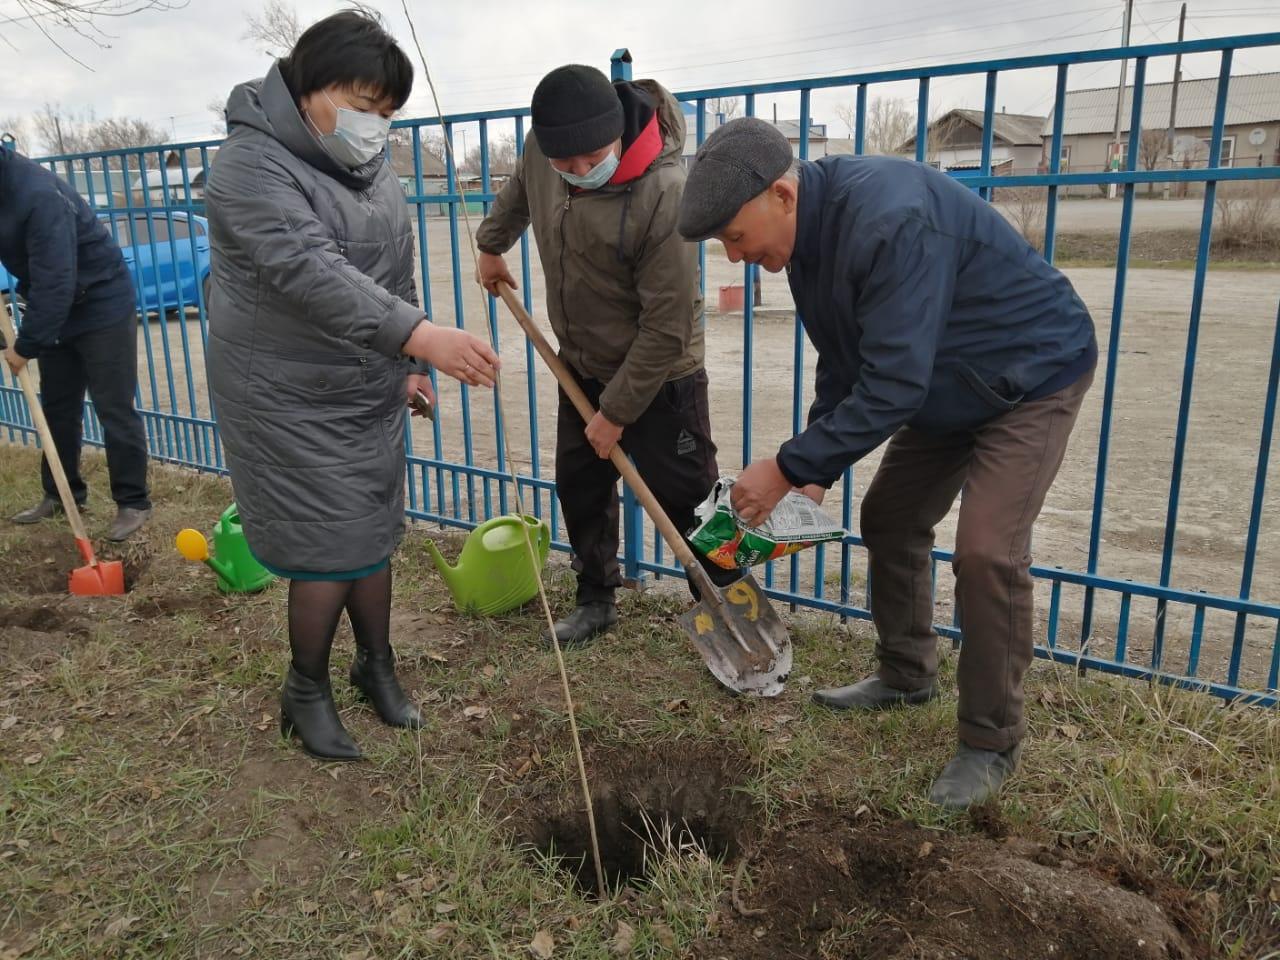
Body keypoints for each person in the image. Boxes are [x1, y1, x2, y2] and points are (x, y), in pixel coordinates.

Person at [678, 118, 1097, 809]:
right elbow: (847, 362)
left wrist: (785, 466)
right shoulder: (806, 240)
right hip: (947, 386)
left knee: (989, 552)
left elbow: (895, 383)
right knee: (891, 517)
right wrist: (816, 466)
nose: (731, 256)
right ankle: (907, 674)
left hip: (1030, 376)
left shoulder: (889, 219)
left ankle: (991, 741)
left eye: (733, 235)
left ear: (782, 194)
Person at [204, 10, 499, 761]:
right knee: (330, 543)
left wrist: (409, 366)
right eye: (361, 104)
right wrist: (421, 335)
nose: (374, 124)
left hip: (364, 377)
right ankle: (305, 687)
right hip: (283, 388)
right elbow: (308, 271)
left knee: (372, 533)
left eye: (387, 112)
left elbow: (392, 267)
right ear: (307, 86)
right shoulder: (248, 164)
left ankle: (376, 667)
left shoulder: (372, 168)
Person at [476, 64, 739, 646]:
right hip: (582, 361)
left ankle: (729, 603)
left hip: (661, 372)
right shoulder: (545, 150)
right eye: (563, 164)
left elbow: (665, 326)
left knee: (689, 498)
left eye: (590, 158)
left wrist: (615, 412)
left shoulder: (665, 195)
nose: (575, 173)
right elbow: (521, 189)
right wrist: (491, 244)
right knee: (581, 484)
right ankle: (596, 596)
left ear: (618, 130)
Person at [1, 146, 151, 542]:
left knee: (113, 405)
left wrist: (24, 346)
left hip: (101, 301)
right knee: (58, 406)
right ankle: (60, 493)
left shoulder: (36, 195)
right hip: (53, 299)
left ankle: (133, 503)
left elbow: (56, 281)